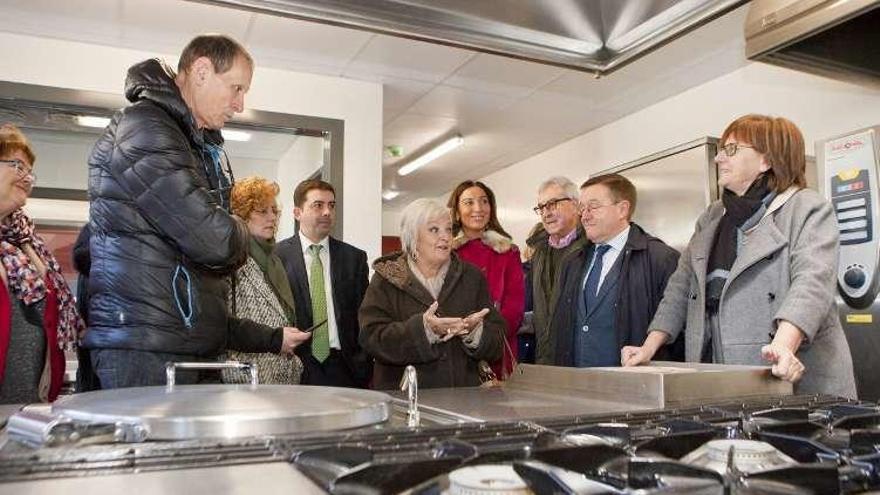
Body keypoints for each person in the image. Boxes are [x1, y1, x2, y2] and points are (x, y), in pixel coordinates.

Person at [85, 34, 305, 388]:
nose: (240, 104)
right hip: (150, 346)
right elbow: (215, 240)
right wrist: (235, 229)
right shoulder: (146, 127)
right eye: (236, 88)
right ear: (201, 70)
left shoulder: (192, 142)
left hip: (178, 340)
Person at [622, 114, 857, 398]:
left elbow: (812, 283)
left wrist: (783, 345)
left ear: (766, 160)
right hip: (720, 374)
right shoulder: (712, 216)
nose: (719, 158)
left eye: (731, 149)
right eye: (720, 150)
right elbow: (681, 287)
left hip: (792, 376)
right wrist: (649, 347)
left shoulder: (806, 207)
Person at [358, 199, 504, 389]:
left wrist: (475, 332)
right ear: (413, 237)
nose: (445, 237)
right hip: (406, 401)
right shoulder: (386, 279)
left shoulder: (472, 277)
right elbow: (371, 339)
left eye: (448, 229)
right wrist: (425, 330)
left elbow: (497, 342)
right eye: (434, 230)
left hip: (463, 401)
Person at [549, 174, 680, 367]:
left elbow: (676, 326)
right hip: (577, 385)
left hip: (634, 385)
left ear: (622, 209)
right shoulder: (572, 261)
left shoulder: (660, 258)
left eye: (593, 207)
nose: (584, 215)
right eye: (582, 208)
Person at [0, 124, 85, 403]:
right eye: (17, 166)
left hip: (28, 404)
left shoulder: (26, 244)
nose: (27, 178)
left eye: (29, 171)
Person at [276, 180, 372, 388]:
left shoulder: (353, 258)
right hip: (297, 366)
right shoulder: (277, 258)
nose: (327, 212)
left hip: (346, 368)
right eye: (318, 205)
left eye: (332, 205)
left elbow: (364, 315)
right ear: (297, 212)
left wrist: (363, 359)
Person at [224, 177, 309, 384]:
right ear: (242, 216)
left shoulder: (275, 260)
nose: (272, 217)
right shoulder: (229, 260)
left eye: (274, 211)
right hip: (247, 378)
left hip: (282, 377)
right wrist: (274, 338)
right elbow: (221, 325)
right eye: (262, 211)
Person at [448, 180, 524, 379]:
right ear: (456, 211)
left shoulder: (508, 251)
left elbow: (514, 306)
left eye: (484, 202)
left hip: (497, 347)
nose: (478, 208)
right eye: (469, 202)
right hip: (453, 347)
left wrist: (488, 336)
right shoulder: (446, 251)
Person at [526, 177, 587, 365]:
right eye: (541, 207)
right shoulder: (539, 254)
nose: (546, 213)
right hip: (547, 361)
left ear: (576, 206)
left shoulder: (592, 248)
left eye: (552, 204)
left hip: (582, 361)